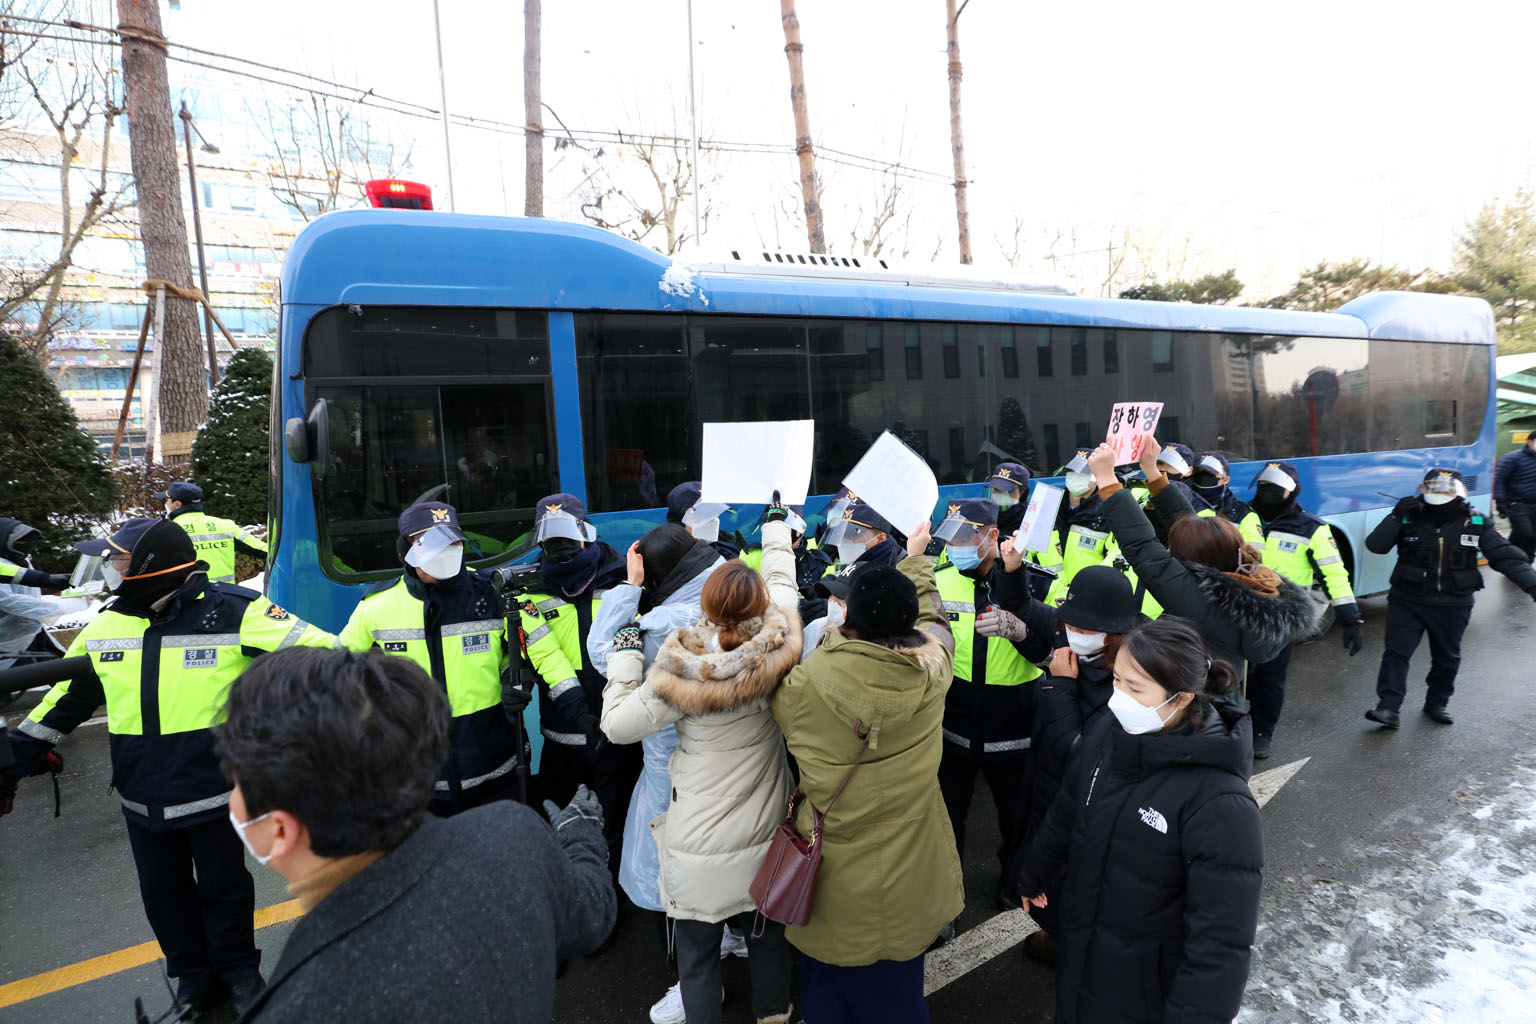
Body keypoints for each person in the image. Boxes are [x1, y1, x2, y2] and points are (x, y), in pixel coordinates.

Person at [2, 518, 336, 1022]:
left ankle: (242, 976)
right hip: (142, 798)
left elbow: (326, 658)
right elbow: (65, 698)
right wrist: (13, 757)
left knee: (225, 892)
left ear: (148, 566)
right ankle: (194, 982)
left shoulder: (235, 612)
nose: (110, 571)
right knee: (164, 898)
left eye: (116, 560)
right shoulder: (110, 623)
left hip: (214, 792)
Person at [215, 646, 615, 1022]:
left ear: (281, 830)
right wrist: (580, 834)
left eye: (235, 782)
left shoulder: (302, 1004)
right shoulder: (515, 832)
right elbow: (593, 916)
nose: (232, 796)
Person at [599, 503, 802, 1024]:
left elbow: (618, 726)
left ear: (705, 608)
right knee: (769, 943)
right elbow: (783, 582)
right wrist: (776, 529)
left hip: (698, 844)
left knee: (696, 960)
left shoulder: (680, 669)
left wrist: (625, 657)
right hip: (766, 832)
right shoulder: (781, 644)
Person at [1017, 617, 1263, 1024]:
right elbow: (1068, 809)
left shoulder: (1220, 804)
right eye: (1116, 680)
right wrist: (1033, 871)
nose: (1118, 697)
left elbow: (1220, 946)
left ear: (1181, 699)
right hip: (1084, 952)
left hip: (1144, 991)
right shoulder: (1108, 732)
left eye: (1134, 688)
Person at [772, 521, 963, 1024]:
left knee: (825, 989)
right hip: (912, 872)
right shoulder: (933, 673)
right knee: (900, 996)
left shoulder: (804, 683)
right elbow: (938, 628)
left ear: (847, 619)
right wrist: (918, 562)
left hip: (831, 877)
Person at [587, 522, 724, 1024]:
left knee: (679, 886)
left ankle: (693, 988)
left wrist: (629, 588)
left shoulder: (661, 626)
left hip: (673, 770)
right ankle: (731, 938)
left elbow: (604, 653)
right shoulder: (730, 598)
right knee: (726, 861)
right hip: (732, 764)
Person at [339, 502, 524, 814]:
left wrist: (513, 678)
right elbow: (339, 670)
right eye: (433, 543)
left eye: (453, 542)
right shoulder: (377, 607)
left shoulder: (490, 591)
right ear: (406, 550)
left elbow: (520, 650)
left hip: (493, 767)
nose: (447, 551)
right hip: (420, 780)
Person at [1090, 440, 1320, 674]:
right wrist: (1152, 471)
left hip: (1197, 698)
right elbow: (1189, 525)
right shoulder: (1244, 577)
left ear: (1192, 559)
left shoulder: (1199, 601)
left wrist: (1107, 479)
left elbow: (1141, 546)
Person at [931, 499, 1054, 910]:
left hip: (1014, 726)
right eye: (951, 536)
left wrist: (1022, 633)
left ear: (991, 537)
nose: (956, 545)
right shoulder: (939, 579)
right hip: (954, 724)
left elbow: (1048, 658)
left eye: (966, 535)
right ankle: (946, 898)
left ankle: (1013, 883)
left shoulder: (1032, 583)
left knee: (1017, 819)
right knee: (947, 821)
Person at [1016, 565, 1141, 967]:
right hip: (1048, 792)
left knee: (1078, 880)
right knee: (1049, 867)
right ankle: (1053, 930)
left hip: (1084, 809)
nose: (1074, 634)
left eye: (1087, 629)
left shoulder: (1127, 680)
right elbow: (1024, 605)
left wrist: (1060, 687)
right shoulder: (1079, 652)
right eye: (1070, 624)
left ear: (1116, 631)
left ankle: (1070, 949)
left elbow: (1081, 760)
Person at [512, 493, 635, 872]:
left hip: (620, 730)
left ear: (587, 536)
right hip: (563, 732)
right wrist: (578, 710)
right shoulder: (528, 589)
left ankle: (611, 893)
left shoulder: (624, 580)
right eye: (551, 544)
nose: (561, 551)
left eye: (567, 540)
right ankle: (572, 889)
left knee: (618, 821)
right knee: (561, 817)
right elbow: (544, 654)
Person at [1363, 468, 1536, 728]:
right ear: (1423, 489)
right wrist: (1395, 516)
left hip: (1454, 602)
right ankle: (1388, 708)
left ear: (1458, 491)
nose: (1440, 494)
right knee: (1396, 654)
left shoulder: (1475, 520)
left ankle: (1437, 703)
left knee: (1446, 658)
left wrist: (1533, 586)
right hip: (1408, 599)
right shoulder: (1408, 515)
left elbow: (1504, 556)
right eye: (1435, 488)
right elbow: (1376, 545)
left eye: (1447, 488)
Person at [1244, 460, 1364, 757]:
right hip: (1239, 608)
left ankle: (1262, 731)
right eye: (1263, 485)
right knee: (1236, 674)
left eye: (1276, 487)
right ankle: (1233, 725)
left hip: (1281, 614)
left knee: (1270, 678)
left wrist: (1350, 616)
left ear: (1292, 491)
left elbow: (1334, 573)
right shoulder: (1242, 516)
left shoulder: (1313, 528)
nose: (1268, 491)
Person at [0, 518, 80, 670]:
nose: (25, 547)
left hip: (30, 631)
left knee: (59, 672)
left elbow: (15, 574)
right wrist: (55, 610)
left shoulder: (18, 560)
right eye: (19, 543)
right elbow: (8, 601)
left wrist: (49, 580)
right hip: (6, 641)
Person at [1041, 450, 1114, 605]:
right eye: (1071, 472)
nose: (1075, 476)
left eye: (1082, 473)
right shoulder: (1049, 506)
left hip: (1091, 598)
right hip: (1049, 597)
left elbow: (1113, 560)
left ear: (1096, 478)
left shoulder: (1107, 511)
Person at [158, 481, 268, 584]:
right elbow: (264, 551)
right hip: (224, 598)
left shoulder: (168, 530)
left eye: (167, 499)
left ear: (177, 504)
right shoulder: (225, 525)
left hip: (188, 601)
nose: (165, 503)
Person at [1189, 452, 1264, 545]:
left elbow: (1254, 555)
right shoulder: (1183, 502)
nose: (1204, 478)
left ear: (1226, 480)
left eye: (1211, 475)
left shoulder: (1242, 513)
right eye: (1199, 474)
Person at [822, 498, 907, 572]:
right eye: (842, 534)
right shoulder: (851, 564)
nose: (844, 540)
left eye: (854, 534)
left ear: (880, 539)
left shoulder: (903, 569)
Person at [667, 481, 744, 561]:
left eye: (715, 511)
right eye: (703, 513)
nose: (713, 519)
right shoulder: (665, 557)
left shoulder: (728, 549)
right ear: (680, 519)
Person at [1495, 431, 1536, 563]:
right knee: (1524, 531)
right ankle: (1510, 556)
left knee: (1533, 535)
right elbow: (1499, 480)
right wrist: (1500, 502)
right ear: (1529, 441)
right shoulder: (1511, 459)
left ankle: (1526, 562)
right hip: (1517, 503)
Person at [987, 461, 1031, 538]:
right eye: (996, 489)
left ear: (1023, 492)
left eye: (1007, 490)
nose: (1000, 495)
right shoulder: (983, 522)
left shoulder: (1031, 524)